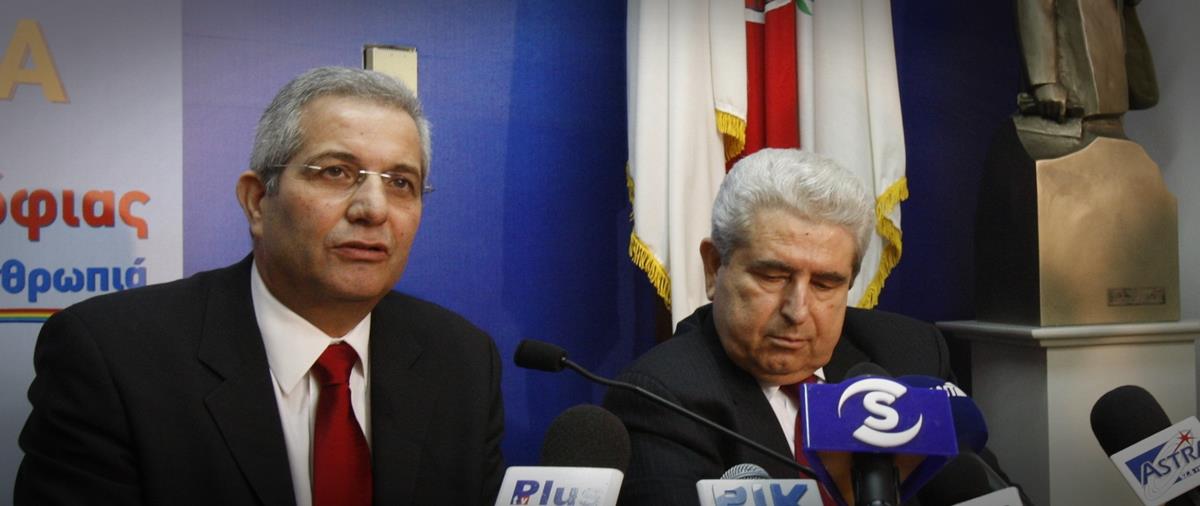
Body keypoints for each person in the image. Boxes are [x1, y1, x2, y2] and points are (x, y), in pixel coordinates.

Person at [15, 67, 504, 506]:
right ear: (256, 202)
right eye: (336, 172)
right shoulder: (113, 357)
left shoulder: (462, 362)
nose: (373, 209)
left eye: (401, 182)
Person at [603, 149, 1022, 505]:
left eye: (825, 283)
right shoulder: (660, 398)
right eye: (772, 276)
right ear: (715, 268)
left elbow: (983, 492)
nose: (798, 310)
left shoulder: (908, 353)